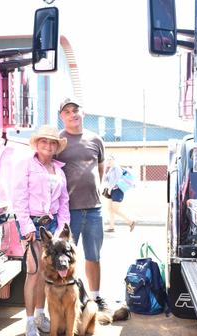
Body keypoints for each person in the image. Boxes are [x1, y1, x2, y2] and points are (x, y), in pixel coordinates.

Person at [12, 125, 71, 336]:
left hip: (53, 225)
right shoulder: (25, 165)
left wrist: (62, 228)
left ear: (57, 147)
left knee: (46, 274)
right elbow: (19, 198)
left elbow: (63, 201)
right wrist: (26, 225)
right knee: (34, 272)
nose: (48, 145)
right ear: (37, 144)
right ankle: (29, 322)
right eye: (44, 141)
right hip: (32, 224)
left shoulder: (59, 170)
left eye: (52, 142)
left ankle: (40, 315)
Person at [55, 97, 109, 311]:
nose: (72, 114)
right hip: (69, 212)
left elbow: (101, 168)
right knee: (66, 259)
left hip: (94, 209)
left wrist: (95, 189)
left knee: (94, 256)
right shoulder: (58, 141)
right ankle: (69, 301)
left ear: (82, 112)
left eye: (75, 110)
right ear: (62, 117)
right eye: (67, 112)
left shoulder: (96, 140)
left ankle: (95, 298)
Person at [103, 155, 136, 232]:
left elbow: (117, 179)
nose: (109, 161)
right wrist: (104, 170)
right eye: (107, 160)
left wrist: (110, 188)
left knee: (115, 209)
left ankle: (131, 222)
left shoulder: (117, 168)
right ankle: (111, 227)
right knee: (109, 209)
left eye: (110, 159)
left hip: (118, 190)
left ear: (114, 160)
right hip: (111, 191)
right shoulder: (110, 169)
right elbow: (106, 179)